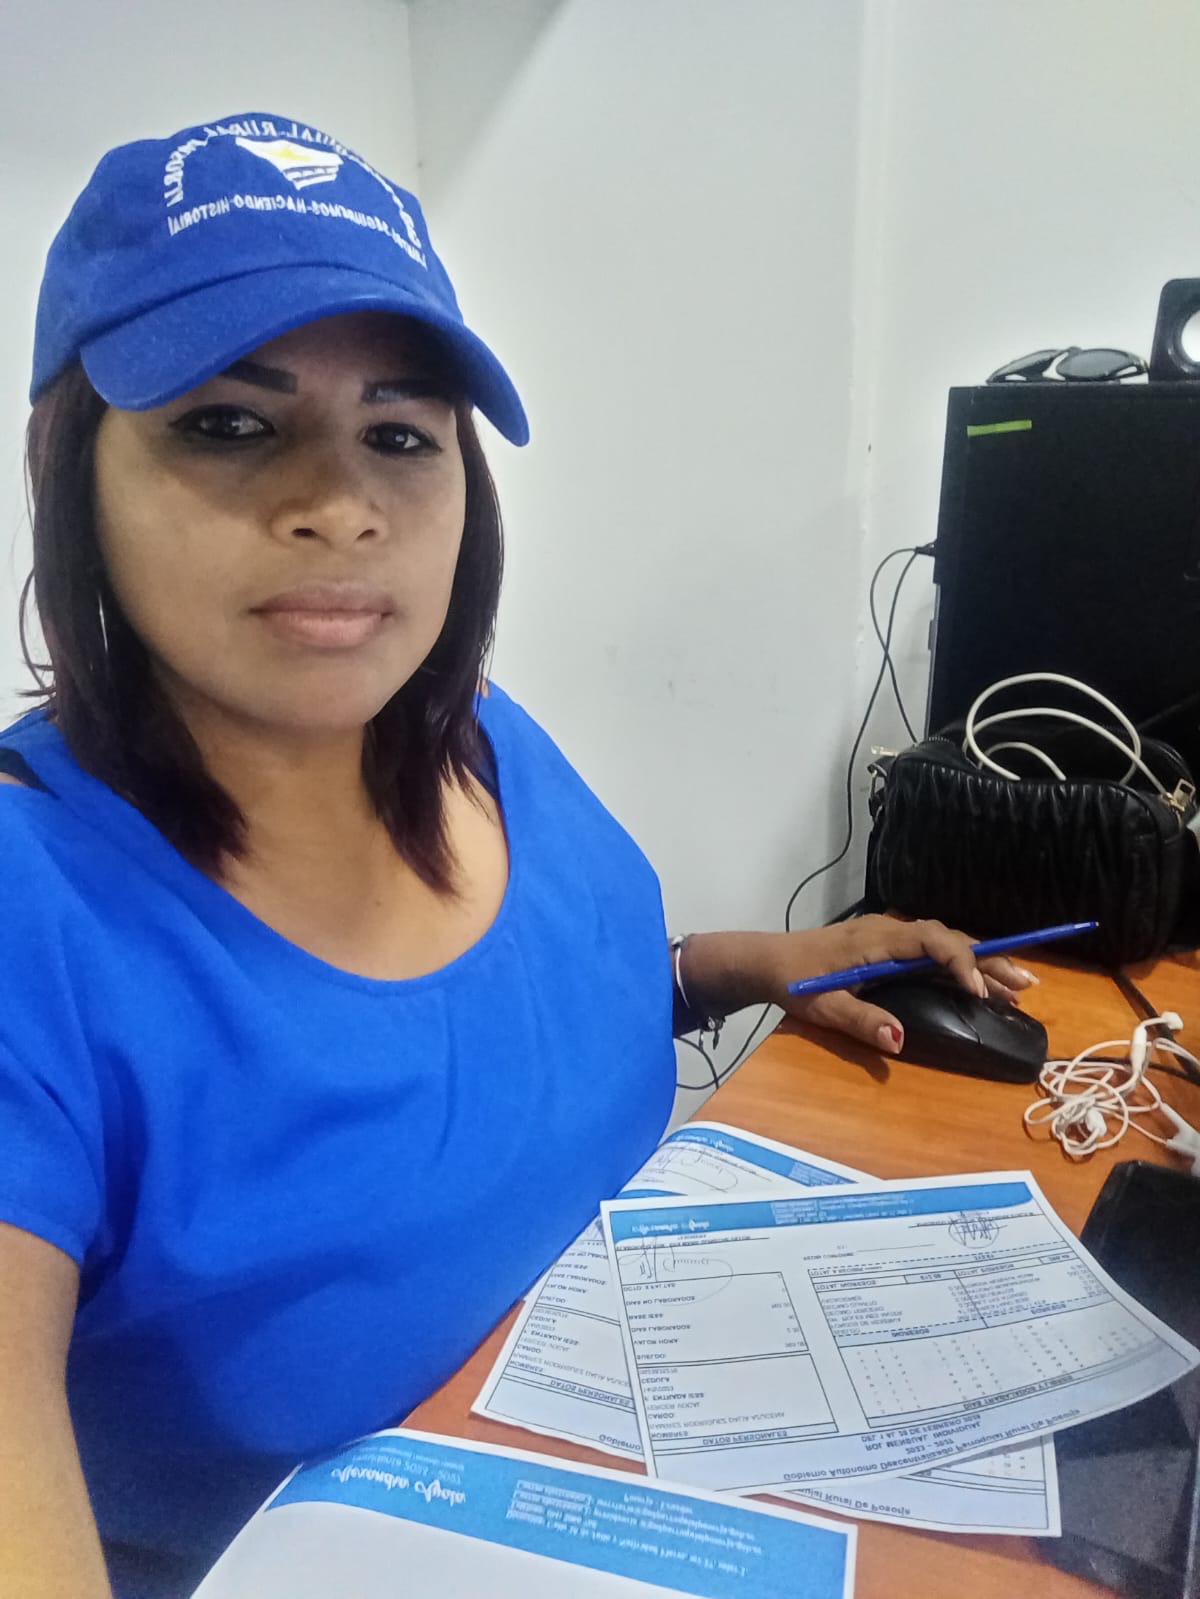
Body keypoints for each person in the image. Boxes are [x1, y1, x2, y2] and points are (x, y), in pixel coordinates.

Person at [0, 112, 1032, 1599]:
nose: (339, 507)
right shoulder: (34, 907)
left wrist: (743, 968)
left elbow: (486, 1039)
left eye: (400, 433)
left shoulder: (481, 739)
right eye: (229, 423)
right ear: (70, 465)